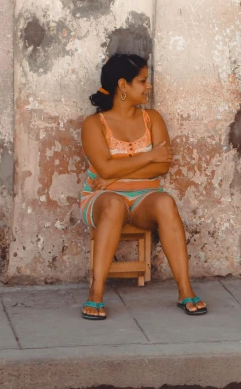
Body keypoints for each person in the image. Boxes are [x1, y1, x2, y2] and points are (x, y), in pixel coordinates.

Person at [80, 54, 207, 320]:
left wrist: (115, 172)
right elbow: (105, 168)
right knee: (114, 203)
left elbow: (162, 168)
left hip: (143, 199)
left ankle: (185, 291)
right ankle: (96, 292)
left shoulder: (153, 118)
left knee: (165, 201)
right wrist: (148, 156)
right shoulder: (94, 124)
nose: (148, 86)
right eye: (142, 81)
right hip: (101, 200)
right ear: (123, 86)